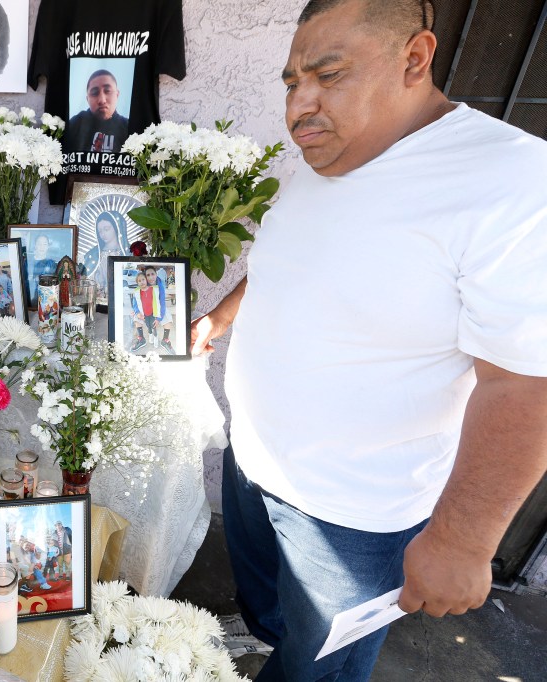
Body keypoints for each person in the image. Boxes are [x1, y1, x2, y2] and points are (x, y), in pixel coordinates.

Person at [191, 1, 547, 679]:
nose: (300, 105)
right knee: (265, 605)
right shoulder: (330, 154)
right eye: (292, 82)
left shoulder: (512, 180)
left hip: (350, 514)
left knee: (320, 664)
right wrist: (219, 319)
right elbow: (278, 266)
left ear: (415, 58)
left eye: (328, 74)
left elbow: (525, 380)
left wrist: (464, 538)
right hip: (254, 462)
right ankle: (267, 633)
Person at [63, 70, 130, 154]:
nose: (102, 100)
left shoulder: (128, 127)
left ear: (117, 95)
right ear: (87, 99)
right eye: (94, 93)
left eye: (107, 91)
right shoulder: (75, 124)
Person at [81, 210, 128, 291]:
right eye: (100, 231)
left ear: (117, 228)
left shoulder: (129, 252)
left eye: (106, 229)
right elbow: (87, 280)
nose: (103, 234)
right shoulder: (95, 254)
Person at [142, 266, 174, 354]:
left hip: (158, 306)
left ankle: (165, 340)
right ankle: (141, 338)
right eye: (148, 275)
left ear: (156, 274)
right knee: (136, 317)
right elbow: (136, 298)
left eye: (152, 274)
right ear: (145, 277)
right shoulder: (143, 284)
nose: (151, 277)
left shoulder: (160, 285)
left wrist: (159, 318)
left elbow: (162, 303)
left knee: (167, 318)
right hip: (146, 307)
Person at [27, 234, 58, 306]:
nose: (42, 247)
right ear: (35, 245)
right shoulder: (28, 262)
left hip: (46, 300)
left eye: (44, 244)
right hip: (28, 299)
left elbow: (54, 284)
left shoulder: (51, 263)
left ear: (48, 247)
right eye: (39, 244)